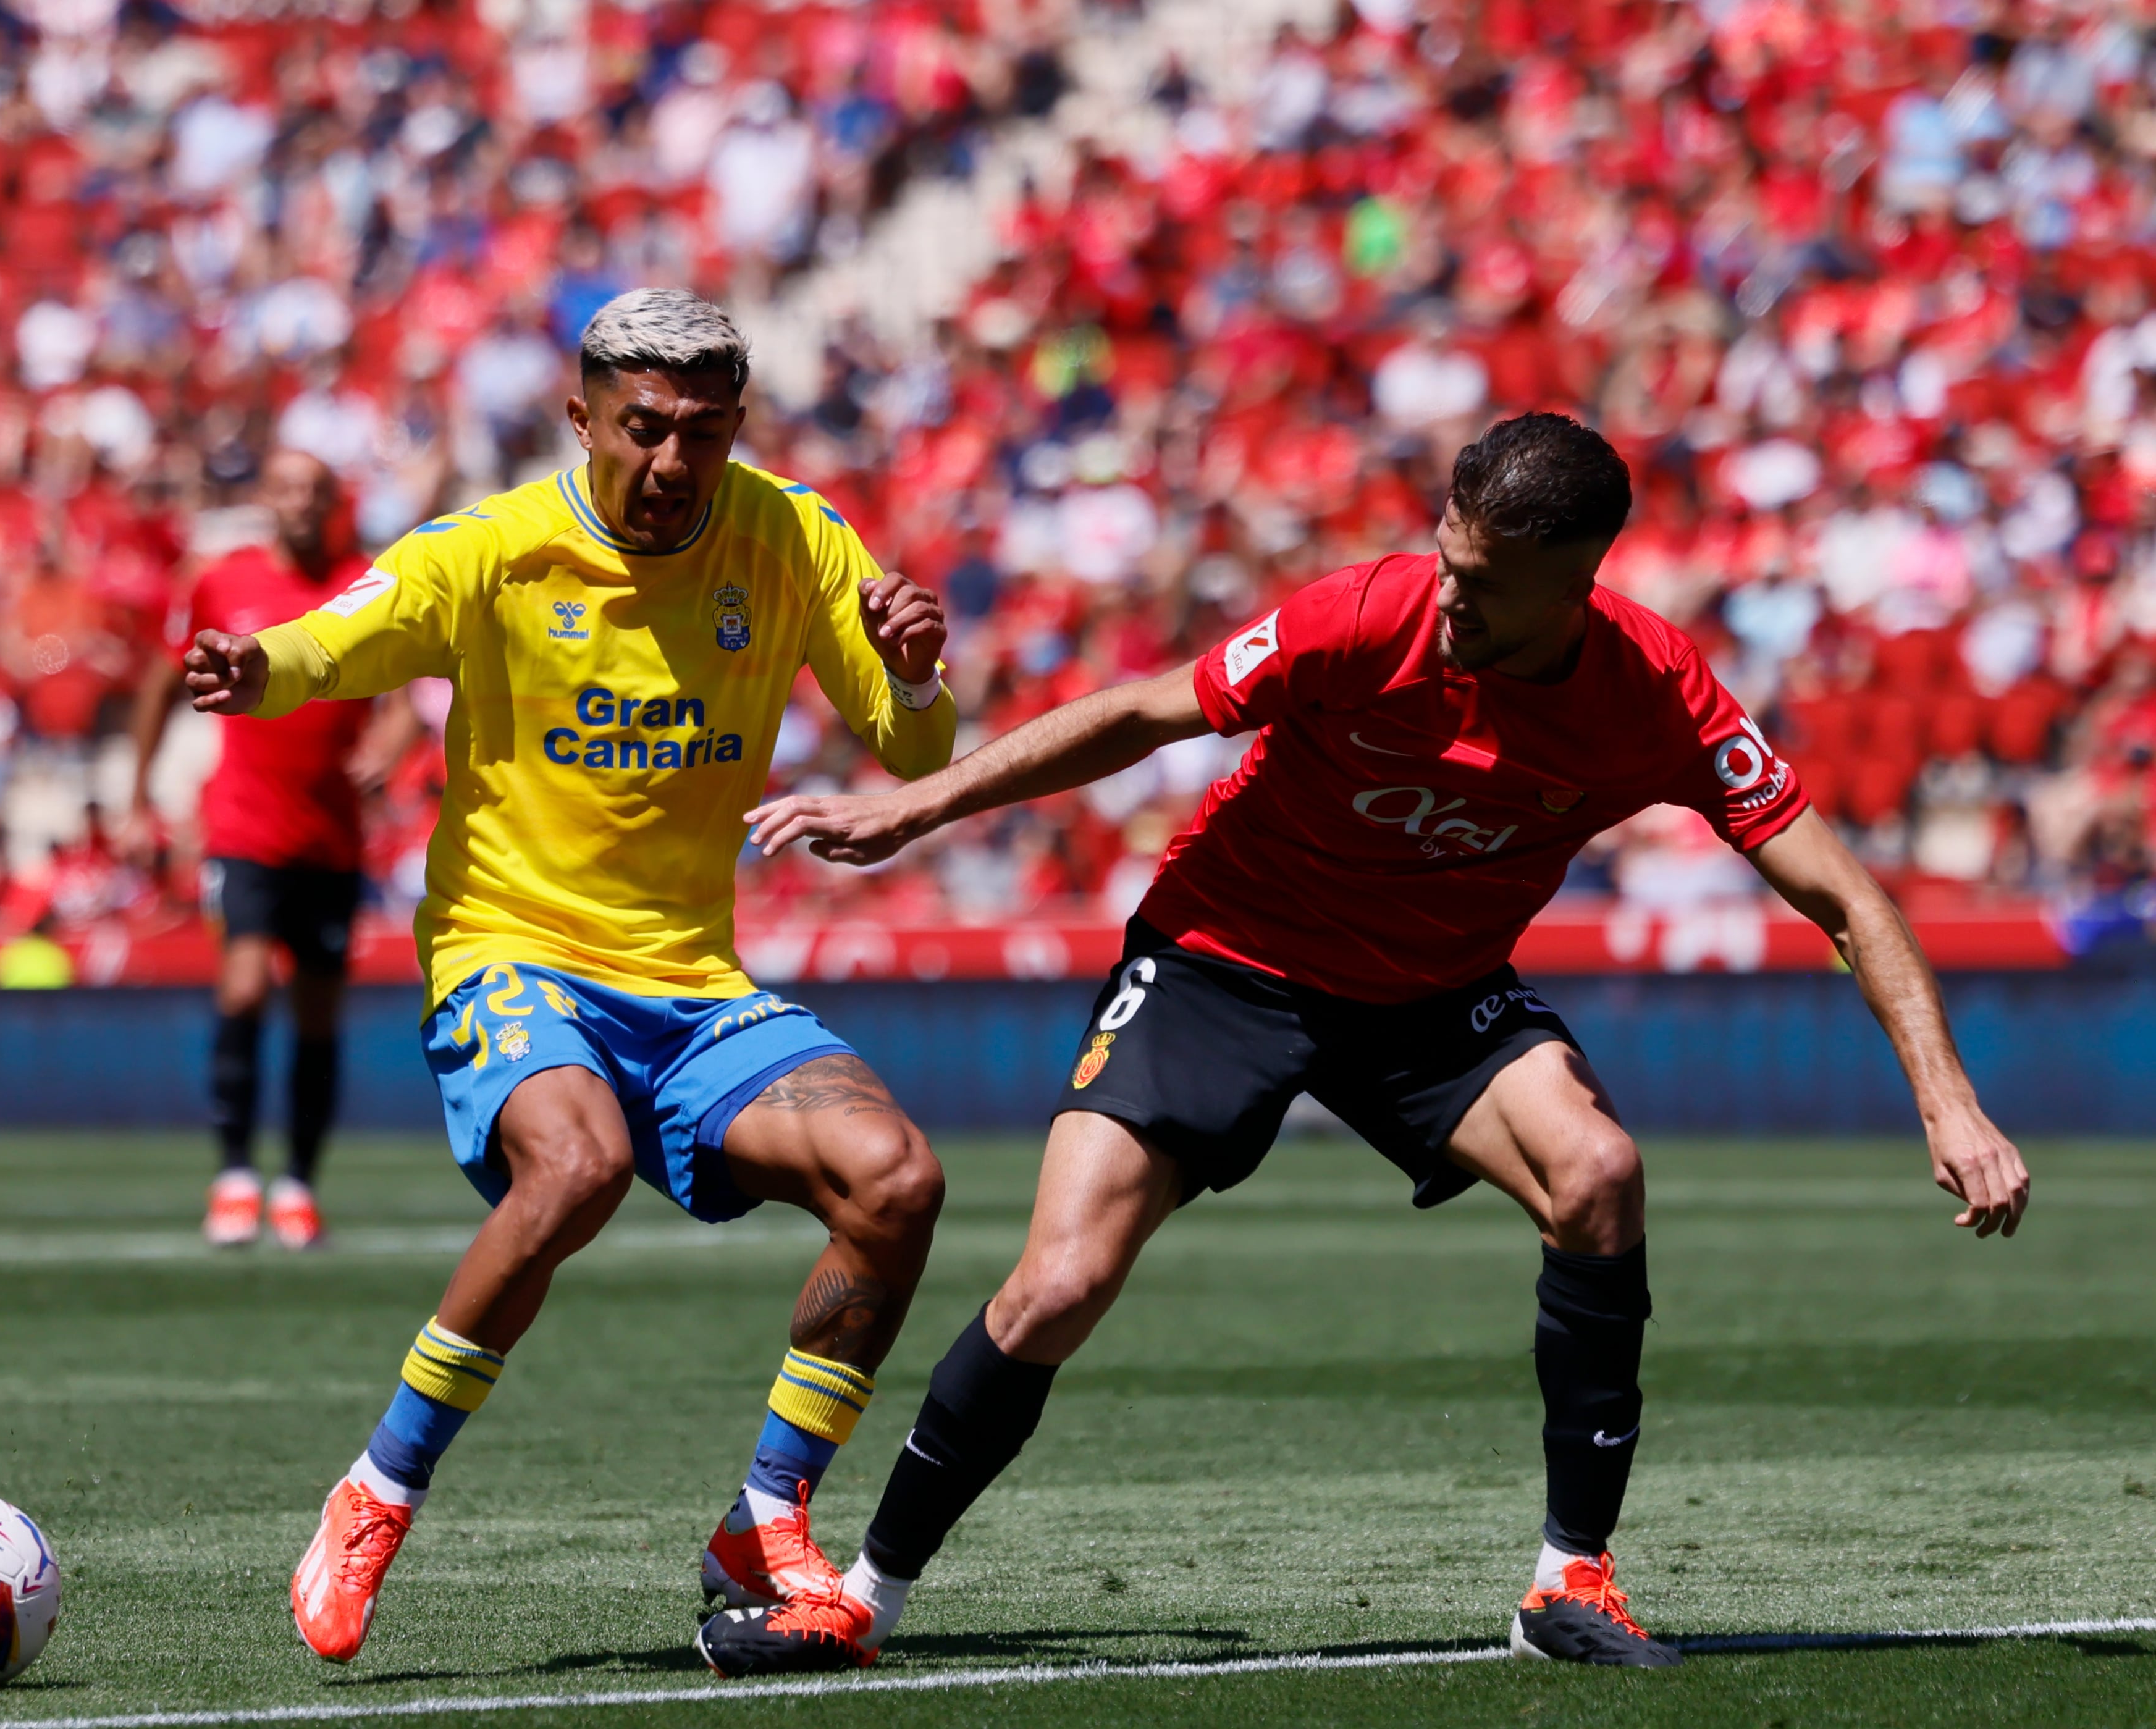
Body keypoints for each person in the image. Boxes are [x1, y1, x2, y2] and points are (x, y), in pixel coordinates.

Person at [702, 411, 2033, 1675]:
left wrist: (1949, 1103)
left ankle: (1568, 1581)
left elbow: (1845, 897)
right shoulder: (1365, 612)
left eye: (1483, 584)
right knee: (1058, 1283)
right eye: (1446, 557)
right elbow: (1140, 712)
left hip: (1425, 993)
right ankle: (859, 1598)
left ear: (1575, 584)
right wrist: (920, 804)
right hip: (1223, 958)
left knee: (1599, 1171)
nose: (1448, 598)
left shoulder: (1655, 695)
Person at [179, 288, 958, 1662]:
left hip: (691, 985)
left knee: (894, 1180)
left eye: (703, 435)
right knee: (578, 1161)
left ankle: (761, 1517)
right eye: (645, 428)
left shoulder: (791, 534)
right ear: (580, 415)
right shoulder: (497, 545)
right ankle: (376, 1488)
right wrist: (262, 666)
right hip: (511, 953)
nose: (672, 462)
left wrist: (918, 680)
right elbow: (350, 630)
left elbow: (906, 751)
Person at [127, 449, 419, 1251]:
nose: (298, 501)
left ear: (331, 502)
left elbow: (403, 698)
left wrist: (388, 748)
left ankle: (296, 1181)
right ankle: (231, 1174)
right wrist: (137, 789)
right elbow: (162, 679)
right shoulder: (225, 580)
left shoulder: (366, 581)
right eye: (285, 486)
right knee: (245, 986)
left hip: (329, 836)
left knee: (318, 1013)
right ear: (266, 497)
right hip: (245, 826)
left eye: (313, 490)